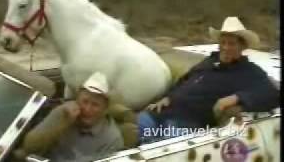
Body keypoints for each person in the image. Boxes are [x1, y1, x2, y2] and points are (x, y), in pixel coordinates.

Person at [138, 16, 279, 143]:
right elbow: (184, 80)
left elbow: (273, 94)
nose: (225, 47)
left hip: (186, 123)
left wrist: (236, 98)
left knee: (155, 148)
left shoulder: (249, 71)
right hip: (162, 112)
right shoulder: (209, 61)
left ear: (242, 46)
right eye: (222, 43)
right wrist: (167, 97)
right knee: (135, 127)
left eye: (231, 44)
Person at [18, 72, 124, 161]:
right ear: (77, 100)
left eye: (95, 105)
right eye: (85, 101)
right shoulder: (63, 113)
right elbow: (29, 147)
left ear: (105, 109)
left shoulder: (112, 138)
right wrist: (60, 119)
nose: (87, 109)